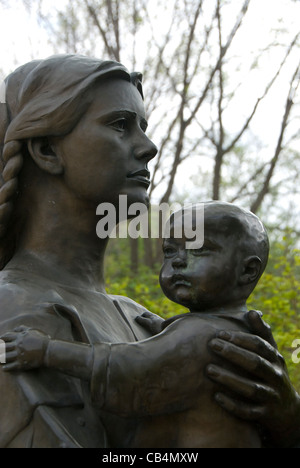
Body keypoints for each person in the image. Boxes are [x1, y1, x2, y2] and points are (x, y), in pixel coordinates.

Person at [0, 54, 299, 448]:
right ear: (47, 151)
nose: (149, 147)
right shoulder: (15, 311)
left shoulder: (142, 319)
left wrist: (286, 420)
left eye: (143, 126)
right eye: (120, 125)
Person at [1, 201, 272, 448]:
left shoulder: (204, 337)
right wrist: (168, 328)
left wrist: (47, 351)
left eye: (198, 249)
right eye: (169, 250)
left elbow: (127, 369)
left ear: (248, 270)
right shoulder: (231, 330)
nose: (178, 260)